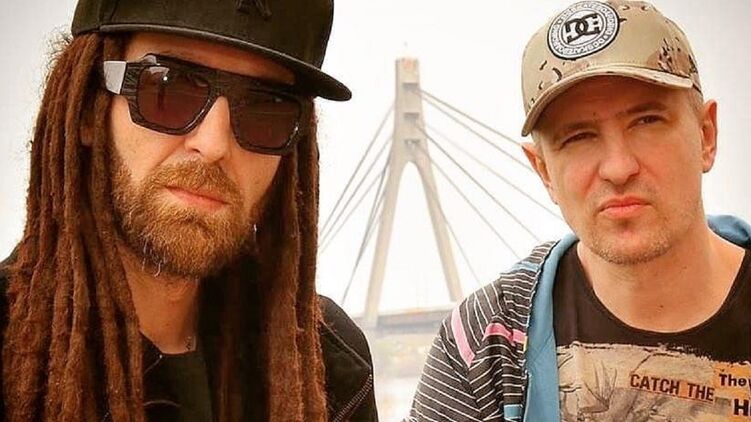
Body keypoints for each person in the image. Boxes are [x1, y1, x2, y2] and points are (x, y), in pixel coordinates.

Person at [0, 0, 378, 421]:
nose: (213, 145)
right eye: (168, 89)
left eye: (264, 109)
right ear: (91, 108)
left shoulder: (330, 371)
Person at [407, 0, 751, 420]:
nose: (618, 168)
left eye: (646, 121)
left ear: (706, 135)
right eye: (578, 137)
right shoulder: (487, 343)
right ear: (544, 171)